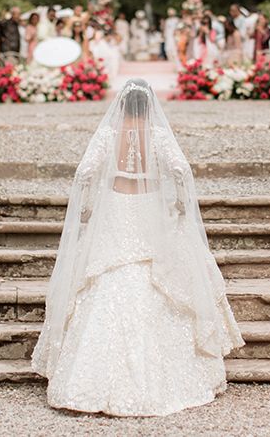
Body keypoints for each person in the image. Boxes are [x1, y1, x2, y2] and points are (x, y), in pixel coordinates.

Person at [32, 79, 244, 416]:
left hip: (115, 210)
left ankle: (86, 380)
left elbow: (85, 171)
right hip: (149, 212)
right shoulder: (158, 135)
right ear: (147, 108)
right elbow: (181, 169)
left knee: (105, 277)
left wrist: (86, 205)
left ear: (121, 106)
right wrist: (180, 204)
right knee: (157, 278)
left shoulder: (108, 135)